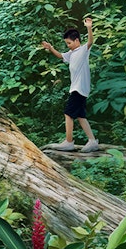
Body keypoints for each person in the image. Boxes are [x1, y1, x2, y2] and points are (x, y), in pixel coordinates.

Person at [40, 17, 100, 152]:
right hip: (77, 88)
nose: (68, 45)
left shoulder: (83, 50)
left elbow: (90, 41)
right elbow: (61, 56)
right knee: (80, 116)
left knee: (68, 113)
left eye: (69, 43)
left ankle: (69, 142)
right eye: (66, 43)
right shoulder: (72, 53)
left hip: (79, 88)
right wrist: (50, 48)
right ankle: (92, 141)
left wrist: (89, 27)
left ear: (77, 40)